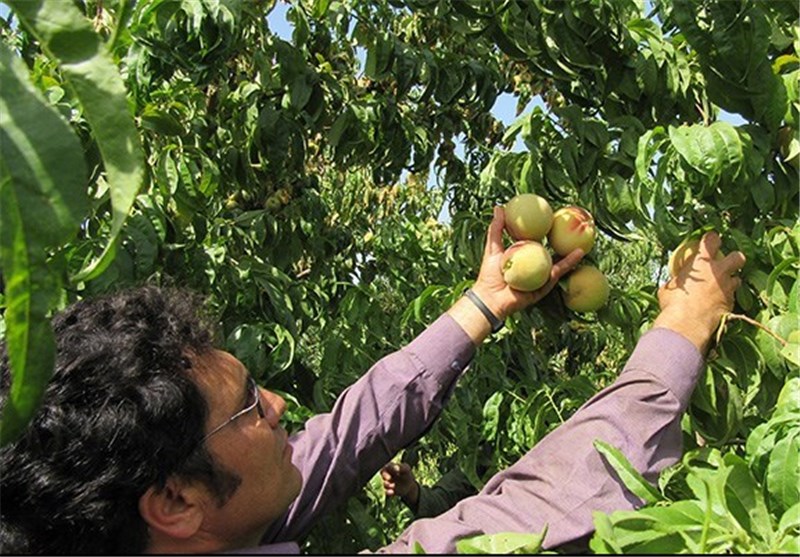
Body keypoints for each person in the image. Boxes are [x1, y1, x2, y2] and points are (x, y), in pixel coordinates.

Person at [0, 206, 745, 555]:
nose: (281, 403)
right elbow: (532, 514)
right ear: (175, 501)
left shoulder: (187, 526)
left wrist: (484, 302)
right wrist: (678, 336)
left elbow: (351, 428)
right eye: (249, 408)